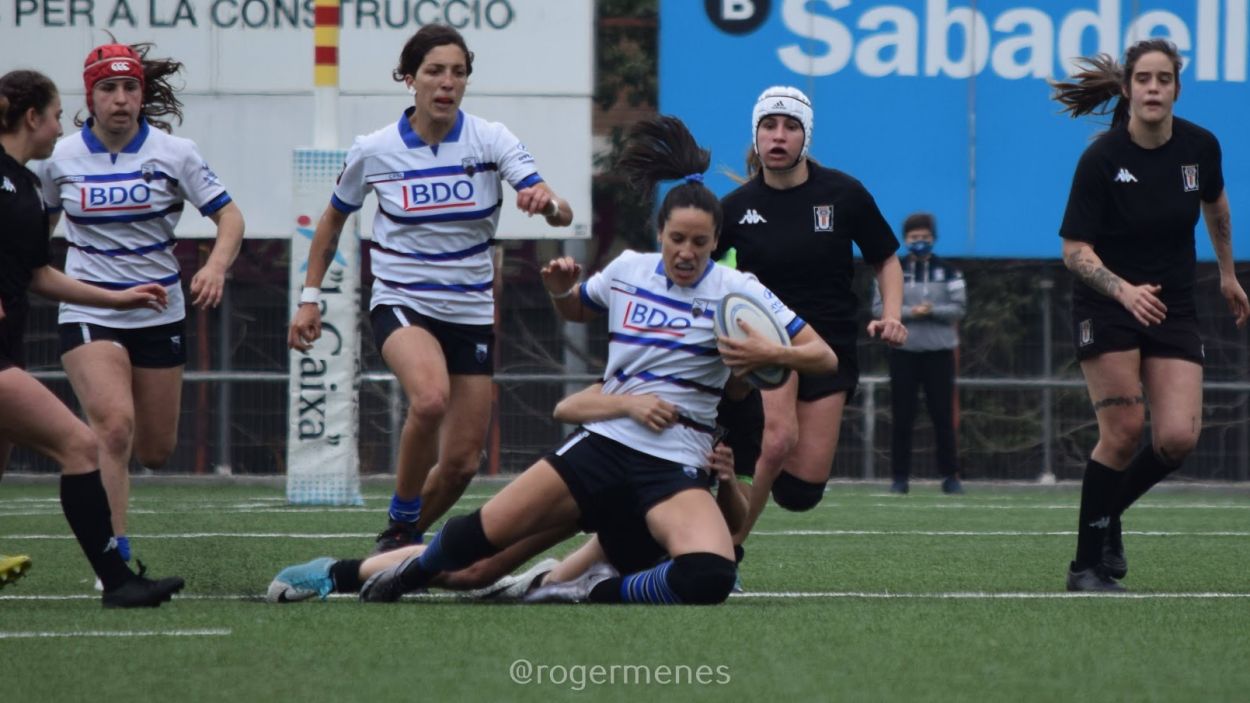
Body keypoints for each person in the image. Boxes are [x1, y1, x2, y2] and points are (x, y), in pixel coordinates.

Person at [350, 115, 835, 605]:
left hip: (674, 465)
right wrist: (559, 291)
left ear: (716, 242)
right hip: (602, 447)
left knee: (710, 577)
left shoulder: (738, 291)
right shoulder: (628, 270)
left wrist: (769, 352)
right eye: (677, 240)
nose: (687, 253)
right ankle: (373, 574)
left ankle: (597, 588)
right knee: (480, 545)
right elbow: (576, 308)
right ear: (660, 233)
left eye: (700, 243)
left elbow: (823, 356)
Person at [288, 24, 573, 554]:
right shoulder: (375, 150)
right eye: (435, 71)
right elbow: (330, 223)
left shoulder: (491, 139)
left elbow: (559, 209)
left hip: (469, 310)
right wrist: (310, 299)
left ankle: (399, 542)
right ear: (409, 78)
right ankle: (402, 515)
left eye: (458, 73)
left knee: (464, 461)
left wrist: (546, 204)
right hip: (402, 301)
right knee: (431, 397)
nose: (447, 83)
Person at [38, 42, 245, 567]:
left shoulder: (175, 153)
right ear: (91, 96)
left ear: (142, 93)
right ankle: (115, 560)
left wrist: (215, 267)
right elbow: (33, 236)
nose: (121, 99)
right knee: (113, 426)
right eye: (109, 89)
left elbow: (231, 219)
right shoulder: (59, 159)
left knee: (154, 449)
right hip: (91, 307)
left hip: (157, 310)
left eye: (130, 87)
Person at [1052, 39, 1249, 592]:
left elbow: (1217, 203)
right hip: (1107, 303)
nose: (1154, 88)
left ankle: (1108, 513)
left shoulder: (1200, 147)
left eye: (1164, 79)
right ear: (1128, 89)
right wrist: (1124, 292)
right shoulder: (1102, 159)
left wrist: (1229, 273)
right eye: (1144, 79)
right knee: (1123, 431)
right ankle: (1085, 567)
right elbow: (1074, 252)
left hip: (1174, 304)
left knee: (1177, 440)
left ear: (1176, 89)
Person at [265, 383, 746, 603]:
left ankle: (564, 583)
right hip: (599, 480)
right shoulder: (665, 362)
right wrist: (628, 405)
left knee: (553, 587)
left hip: (651, 517)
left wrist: (725, 481)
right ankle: (339, 573)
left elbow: (738, 523)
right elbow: (568, 406)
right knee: (475, 568)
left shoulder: (740, 413)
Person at [0, 69, 183, 607]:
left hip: (9, 348)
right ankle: (118, 580)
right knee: (82, 444)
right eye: (56, 116)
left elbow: (38, 274)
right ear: (31, 117)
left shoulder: (30, 187)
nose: (62, 128)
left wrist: (116, 298)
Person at [713, 86, 906, 542]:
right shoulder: (734, 209)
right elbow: (698, 270)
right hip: (765, 341)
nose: (778, 137)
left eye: (790, 127)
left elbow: (885, 259)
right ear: (755, 135)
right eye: (769, 126)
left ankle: (736, 462)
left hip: (828, 347)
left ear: (806, 137)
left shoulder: (844, 193)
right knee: (778, 440)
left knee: (800, 492)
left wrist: (892, 313)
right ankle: (726, 549)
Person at [872, 212, 966, 494]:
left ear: (933, 239)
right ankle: (899, 479)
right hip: (904, 352)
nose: (920, 242)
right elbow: (878, 308)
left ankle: (951, 477)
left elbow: (959, 308)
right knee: (902, 417)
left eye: (925, 238)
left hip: (939, 353)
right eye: (914, 238)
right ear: (905, 240)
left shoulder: (950, 272)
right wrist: (910, 313)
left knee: (942, 417)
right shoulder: (893, 270)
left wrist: (933, 310)